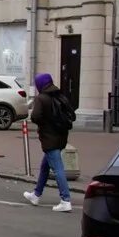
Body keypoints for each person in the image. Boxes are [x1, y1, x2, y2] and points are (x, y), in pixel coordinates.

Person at [24, 73, 75, 212]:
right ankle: (36, 194)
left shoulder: (41, 98)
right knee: (45, 167)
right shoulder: (60, 95)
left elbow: (35, 116)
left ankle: (65, 200)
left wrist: (44, 122)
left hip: (49, 137)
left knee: (58, 169)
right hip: (61, 136)